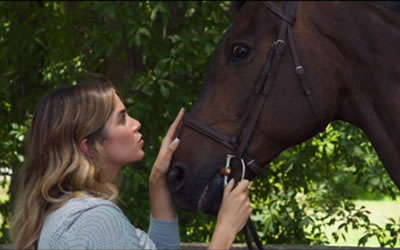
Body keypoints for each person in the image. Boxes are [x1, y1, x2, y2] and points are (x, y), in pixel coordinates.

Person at [10, 74, 252, 249]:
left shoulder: (66, 212)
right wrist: (225, 231)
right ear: (89, 146)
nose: (136, 124)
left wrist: (157, 181)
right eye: (122, 118)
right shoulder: (97, 221)